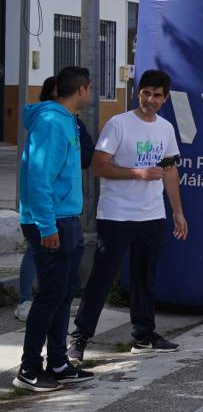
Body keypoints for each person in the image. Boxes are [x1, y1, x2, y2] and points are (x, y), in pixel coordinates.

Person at [70, 69, 189, 364]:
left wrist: (177, 212)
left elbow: (170, 171)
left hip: (152, 215)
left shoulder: (165, 129)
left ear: (166, 97)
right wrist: (138, 173)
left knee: (144, 277)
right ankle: (79, 339)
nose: (150, 99)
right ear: (138, 93)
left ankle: (144, 335)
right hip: (117, 215)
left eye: (157, 95)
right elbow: (98, 167)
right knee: (102, 278)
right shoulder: (119, 125)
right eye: (145, 93)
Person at [14, 66, 95, 392]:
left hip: (66, 219)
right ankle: (29, 369)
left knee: (63, 294)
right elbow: (38, 179)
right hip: (51, 221)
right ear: (82, 90)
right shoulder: (51, 124)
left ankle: (58, 363)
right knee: (50, 296)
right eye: (90, 88)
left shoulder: (66, 122)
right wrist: (47, 226)